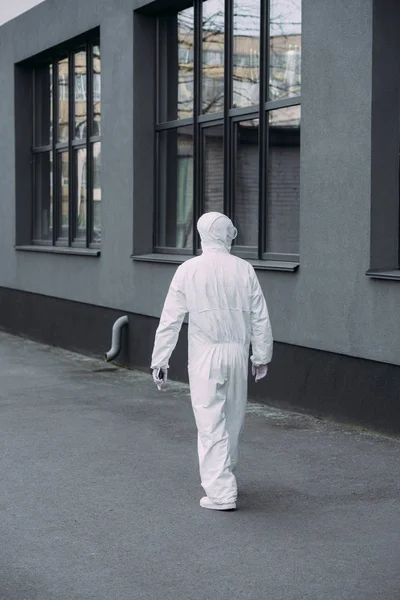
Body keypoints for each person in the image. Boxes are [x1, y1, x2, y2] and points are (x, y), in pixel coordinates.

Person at [150, 212, 273, 511]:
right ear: (228, 234)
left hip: (206, 354)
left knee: (209, 421)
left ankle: (221, 492)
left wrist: (160, 359)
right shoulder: (244, 269)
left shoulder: (188, 270)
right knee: (232, 419)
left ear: (202, 234)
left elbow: (171, 319)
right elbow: (260, 316)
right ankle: (224, 474)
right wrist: (261, 356)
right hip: (237, 352)